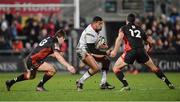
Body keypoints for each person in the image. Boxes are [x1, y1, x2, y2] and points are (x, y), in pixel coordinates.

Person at [110, 13, 175, 91]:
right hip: (142, 51)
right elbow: (151, 41)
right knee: (154, 68)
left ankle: (126, 85)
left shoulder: (123, 28)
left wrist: (115, 51)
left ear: (126, 20)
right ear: (134, 21)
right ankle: (169, 83)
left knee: (116, 68)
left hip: (131, 51)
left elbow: (120, 38)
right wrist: (149, 48)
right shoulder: (140, 29)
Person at [5, 29, 76, 91]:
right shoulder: (55, 42)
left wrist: (56, 54)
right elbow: (57, 56)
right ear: (59, 37)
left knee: (30, 76)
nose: (63, 41)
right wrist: (68, 66)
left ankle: (10, 82)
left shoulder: (50, 38)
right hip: (34, 60)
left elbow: (45, 51)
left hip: (32, 59)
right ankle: (39, 87)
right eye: (63, 39)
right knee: (52, 70)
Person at [76, 16, 114, 91]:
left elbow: (96, 43)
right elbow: (92, 49)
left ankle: (103, 82)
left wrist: (102, 45)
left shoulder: (95, 30)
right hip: (82, 51)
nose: (101, 25)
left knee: (106, 60)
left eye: (102, 24)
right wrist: (105, 52)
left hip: (88, 51)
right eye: (100, 24)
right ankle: (80, 82)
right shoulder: (90, 31)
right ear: (95, 23)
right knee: (96, 68)